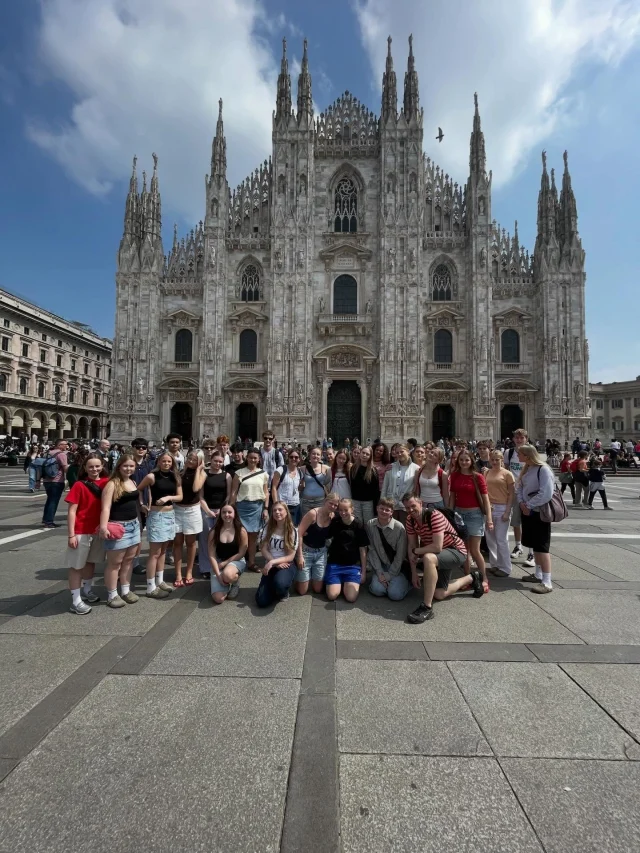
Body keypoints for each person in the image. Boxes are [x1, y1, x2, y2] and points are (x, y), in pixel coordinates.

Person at [405, 496, 483, 623]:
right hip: (440, 556)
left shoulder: (434, 515)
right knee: (439, 594)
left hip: (456, 551)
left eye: (413, 506)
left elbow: (437, 547)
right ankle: (472, 577)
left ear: (420, 503)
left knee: (428, 558)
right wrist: (414, 572)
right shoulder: (410, 520)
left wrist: (416, 551)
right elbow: (412, 545)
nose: (410, 510)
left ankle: (427, 607)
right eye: (407, 507)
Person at [65, 453, 108, 614]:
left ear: (102, 466)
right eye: (91, 466)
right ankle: (75, 601)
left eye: (97, 466)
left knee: (91, 562)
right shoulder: (79, 485)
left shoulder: (107, 482)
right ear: (85, 468)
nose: (94, 469)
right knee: (76, 566)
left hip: (97, 530)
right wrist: (71, 534)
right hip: (80, 530)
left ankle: (87, 590)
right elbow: (71, 511)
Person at [99, 453, 142, 608]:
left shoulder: (132, 482)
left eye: (131, 466)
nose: (128, 468)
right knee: (114, 563)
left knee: (129, 561)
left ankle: (125, 590)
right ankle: (112, 594)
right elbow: (105, 508)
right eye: (125, 466)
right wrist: (103, 527)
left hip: (133, 525)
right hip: (117, 526)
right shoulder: (112, 484)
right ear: (119, 466)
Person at [138, 452, 183, 598]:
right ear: (158, 462)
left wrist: (168, 497)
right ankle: (150, 586)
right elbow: (138, 489)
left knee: (163, 551)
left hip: (170, 515)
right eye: (164, 461)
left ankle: (160, 580)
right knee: (154, 553)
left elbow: (180, 496)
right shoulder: (152, 476)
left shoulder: (174, 476)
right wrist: (142, 504)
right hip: (156, 515)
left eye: (169, 461)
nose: (166, 463)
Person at [448, 449, 492, 585]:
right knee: (464, 550)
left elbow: (486, 499)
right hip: (459, 514)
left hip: (474, 515)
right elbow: (452, 498)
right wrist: (449, 515)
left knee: (475, 550)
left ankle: (484, 577)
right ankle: (467, 578)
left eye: (467, 460)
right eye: (461, 460)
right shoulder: (454, 475)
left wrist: (489, 519)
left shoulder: (477, 476)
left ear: (471, 460)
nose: (464, 462)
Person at [515, 444, 555, 593]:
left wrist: (529, 505)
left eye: (520, 453)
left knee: (542, 547)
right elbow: (519, 488)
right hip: (528, 512)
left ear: (527, 455)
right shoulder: (527, 468)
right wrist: (521, 503)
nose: (517, 455)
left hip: (539, 512)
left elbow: (546, 492)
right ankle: (538, 575)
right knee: (535, 544)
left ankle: (547, 582)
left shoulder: (543, 469)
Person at [230, 447, 269, 571]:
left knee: (253, 538)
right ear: (246, 458)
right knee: (240, 536)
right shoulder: (239, 473)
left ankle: (251, 562)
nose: (253, 460)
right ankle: (237, 562)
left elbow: (266, 492)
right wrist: (231, 507)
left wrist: (266, 508)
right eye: (250, 457)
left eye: (255, 458)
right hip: (242, 507)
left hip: (257, 507)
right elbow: (234, 492)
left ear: (259, 460)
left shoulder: (263, 474)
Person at [294, 492, 339, 595]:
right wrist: (300, 556)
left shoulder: (332, 516)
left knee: (318, 589)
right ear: (325, 501)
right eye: (331, 503)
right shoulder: (313, 514)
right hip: (306, 551)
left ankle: (309, 575)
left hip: (321, 553)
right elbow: (299, 533)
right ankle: (297, 577)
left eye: (335, 505)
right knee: (302, 591)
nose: (333, 506)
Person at [172, 450, 206, 586]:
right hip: (178, 509)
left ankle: (189, 571)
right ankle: (178, 573)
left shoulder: (202, 474)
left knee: (191, 543)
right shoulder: (180, 472)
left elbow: (196, 488)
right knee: (178, 542)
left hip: (192, 510)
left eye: (195, 459)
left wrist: (198, 470)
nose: (191, 461)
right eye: (190, 458)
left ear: (200, 461)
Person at [324, 498, 368, 603]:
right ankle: (339, 582)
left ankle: (347, 583)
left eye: (346, 510)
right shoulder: (335, 521)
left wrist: (364, 572)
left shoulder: (358, 524)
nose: (343, 513)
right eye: (340, 510)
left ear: (352, 509)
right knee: (332, 596)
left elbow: (363, 549)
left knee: (351, 598)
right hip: (335, 563)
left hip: (352, 564)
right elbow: (326, 535)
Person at [255, 502, 299, 608]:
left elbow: (291, 557)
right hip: (271, 564)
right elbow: (263, 549)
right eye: (274, 510)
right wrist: (272, 562)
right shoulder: (267, 527)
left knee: (280, 584)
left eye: (280, 510)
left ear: (286, 512)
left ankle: (283, 591)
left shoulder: (292, 530)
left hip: (286, 565)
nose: (277, 512)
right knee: (261, 601)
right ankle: (273, 588)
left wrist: (273, 562)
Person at [367, 498, 410, 600]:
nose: (384, 512)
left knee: (395, 595)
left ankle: (407, 584)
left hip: (397, 567)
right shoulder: (370, 524)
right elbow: (372, 550)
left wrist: (389, 575)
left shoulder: (399, 528)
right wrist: (380, 573)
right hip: (381, 565)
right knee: (377, 590)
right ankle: (385, 584)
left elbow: (401, 555)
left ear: (392, 512)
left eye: (387, 510)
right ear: (377, 508)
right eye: (381, 508)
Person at [504, 428, 535, 568]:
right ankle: (518, 546)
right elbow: (505, 470)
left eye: (521, 438)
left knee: (529, 523)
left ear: (526, 439)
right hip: (515, 492)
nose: (519, 440)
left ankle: (532, 552)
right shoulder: (508, 452)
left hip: (528, 492)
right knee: (516, 522)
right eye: (517, 437)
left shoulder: (531, 452)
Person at [199, 448, 231, 579]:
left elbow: (228, 495)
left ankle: (219, 565)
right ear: (210, 460)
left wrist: (221, 510)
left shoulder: (227, 475)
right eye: (215, 461)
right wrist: (207, 510)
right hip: (206, 510)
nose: (218, 464)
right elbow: (200, 496)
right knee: (205, 540)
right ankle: (205, 567)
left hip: (221, 511)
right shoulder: (204, 474)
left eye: (220, 462)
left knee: (219, 539)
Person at [484, 450, 515, 578]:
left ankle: (506, 567)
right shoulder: (486, 472)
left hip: (502, 508)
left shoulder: (508, 474)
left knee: (501, 539)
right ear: (489, 460)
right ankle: (495, 564)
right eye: (493, 459)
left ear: (502, 460)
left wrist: (508, 511)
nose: (495, 462)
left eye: (498, 459)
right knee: (490, 539)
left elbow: (512, 494)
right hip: (489, 508)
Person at [209, 503, 248, 603]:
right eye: (224, 512)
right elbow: (211, 555)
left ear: (235, 513)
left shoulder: (241, 530)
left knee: (227, 574)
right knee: (219, 599)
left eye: (230, 512)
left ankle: (234, 581)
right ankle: (224, 581)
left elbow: (241, 553)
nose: (227, 515)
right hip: (218, 562)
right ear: (220, 514)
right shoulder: (214, 531)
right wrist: (217, 574)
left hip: (237, 560)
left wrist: (224, 564)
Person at [381, 444, 419, 524]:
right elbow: (385, 486)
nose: (399, 454)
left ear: (408, 452)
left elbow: (416, 488)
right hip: (391, 503)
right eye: (397, 452)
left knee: (406, 528)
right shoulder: (391, 467)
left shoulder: (416, 468)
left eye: (402, 451)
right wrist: (382, 502)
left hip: (406, 505)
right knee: (391, 527)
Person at [38, 438, 69, 529]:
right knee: (53, 501)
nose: (66, 446)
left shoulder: (47, 453)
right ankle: (49, 522)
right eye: (64, 444)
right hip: (57, 480)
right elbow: (65, 468)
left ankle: (46, 519)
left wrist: (38, 480)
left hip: (47, 481)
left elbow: (40, 466)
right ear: (59, 445)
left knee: (49, 500)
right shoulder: (62, 455)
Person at [271, 449, 303, 526]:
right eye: (291, 457)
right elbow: (274, 488)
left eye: (296, 457)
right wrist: (276, 504)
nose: (293, 459)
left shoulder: (300, 472)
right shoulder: (281, 470)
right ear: (288, 458)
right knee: (281, 528)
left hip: (295, 505)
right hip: (282, 505)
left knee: (293, 528)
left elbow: (299, 487)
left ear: (299, 459)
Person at [350, 445, 380, 523]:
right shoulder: (354, 468)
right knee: (358, 522)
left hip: (368, 501)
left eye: (367, 454)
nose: (364, 455)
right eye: (363, 453)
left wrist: (376, 504)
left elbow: (375, 489)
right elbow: (351, 485)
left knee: (368, 522)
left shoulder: (373, 470)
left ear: (370, 456)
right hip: (355, 500)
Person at [300, 446, 332, 518]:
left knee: (319, 521)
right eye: (313, 454)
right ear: (309, 455)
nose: (315, 456)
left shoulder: (325, 468)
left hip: (320, 501)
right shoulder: (303, 468)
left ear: (321, 457)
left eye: (318, 454)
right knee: (306, 522)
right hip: (306, 501)